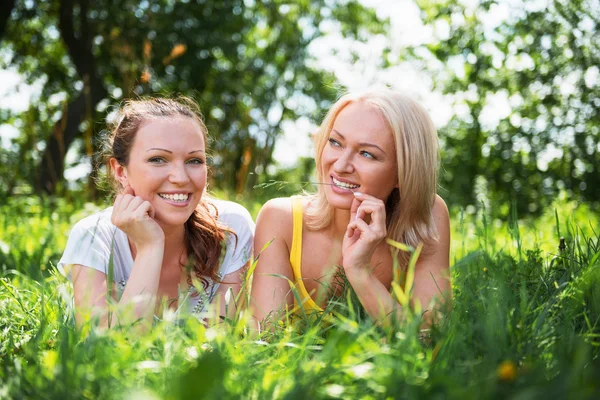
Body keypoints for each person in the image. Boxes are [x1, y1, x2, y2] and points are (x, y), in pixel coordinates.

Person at [250, 88, 451, 328]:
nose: (341, 165)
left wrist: (360, 273)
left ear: (403, 172)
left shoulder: (427, 216)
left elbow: (431, 337)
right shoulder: (280, 219)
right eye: (335, 142)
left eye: (367, 154)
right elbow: (263, 339)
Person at [58, 97, 254, 329]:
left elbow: (222, 338)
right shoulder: (93, 237)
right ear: (121, 171)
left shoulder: (231, 228)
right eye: (158, 159)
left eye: (194, 160)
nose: (180, 178)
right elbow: (105, 353)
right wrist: (150, 247)